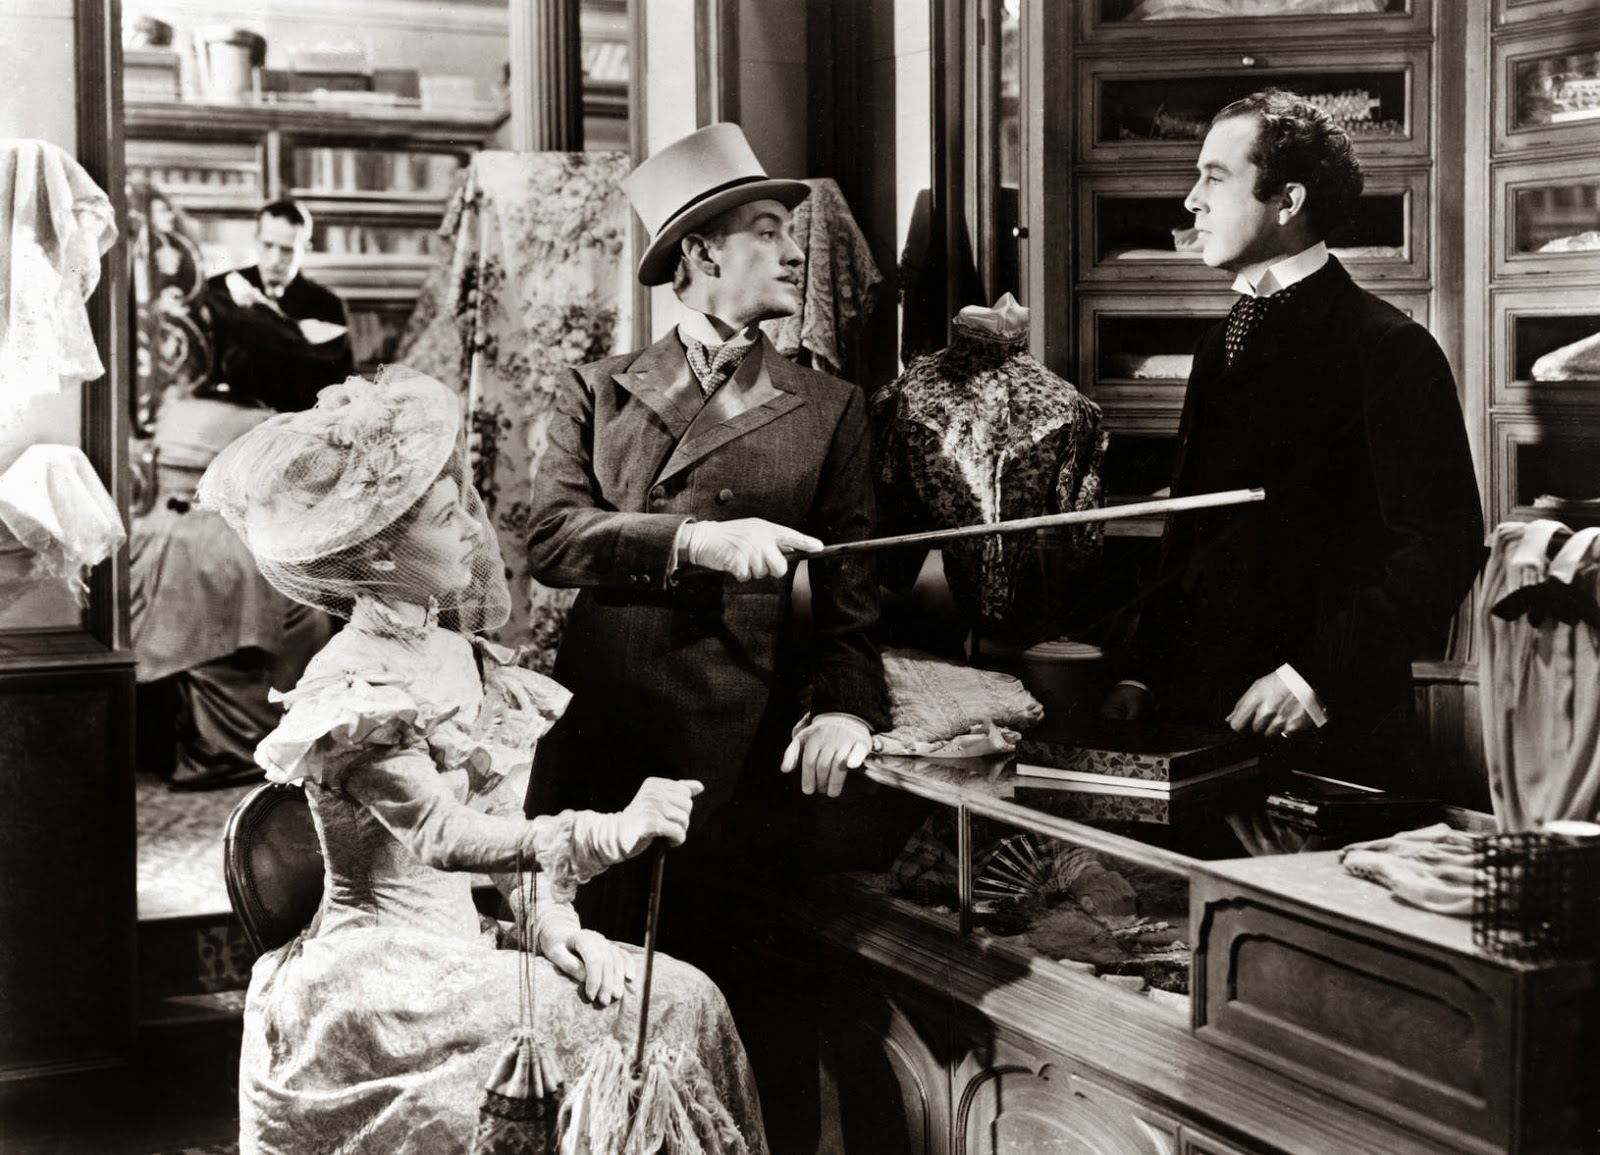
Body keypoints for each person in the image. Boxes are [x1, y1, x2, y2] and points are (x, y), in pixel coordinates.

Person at [195, 365, 767, 1155]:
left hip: (467, 950)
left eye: (464, 504)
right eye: (446, 515)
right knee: (646, 1018)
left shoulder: (466, 659)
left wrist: (554, 924)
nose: (474, 527)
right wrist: (606, 831)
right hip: (378, 974)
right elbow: (442, 833)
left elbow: (502, 826)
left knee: (685, 996)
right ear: (382, 557)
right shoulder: (351, 683)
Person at [1100, 89, 1484, 791]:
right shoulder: (1217, 346)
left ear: (1288, 200)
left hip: (1330, 737)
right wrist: (1142, 673)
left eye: (1215, 177)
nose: (1191, 200)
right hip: (1197, 724)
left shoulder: (1388, 346)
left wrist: (1312, 678)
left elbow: (1443, 546)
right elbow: (1191, 533)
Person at [130, 390, 330, 789]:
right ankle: (250, 742)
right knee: (303, 615)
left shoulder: (176, 407)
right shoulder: (260, 419)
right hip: (219, 546)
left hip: (150, 535)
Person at [204, 199, 354, 412]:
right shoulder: (220, 288)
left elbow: (341, 388)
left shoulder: (328, 306)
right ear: (256, 241)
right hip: (232, 417)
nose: (275, 260)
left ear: (306, 249)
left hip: (298, 421)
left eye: (287, 250)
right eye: (268, 246)